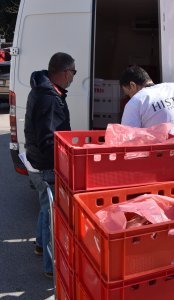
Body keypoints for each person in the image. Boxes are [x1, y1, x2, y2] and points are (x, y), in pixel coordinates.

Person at [24, 52, 76, 278]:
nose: (74, 76)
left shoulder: (43, 89)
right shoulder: (50, 97)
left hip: (36, 161)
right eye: (73, 71)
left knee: (45, 206)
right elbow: (48, 138)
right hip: (45, 164)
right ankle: (50, 267)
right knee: (50, 214)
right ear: (64, 73)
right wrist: (64, 159)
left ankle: (38, 245)